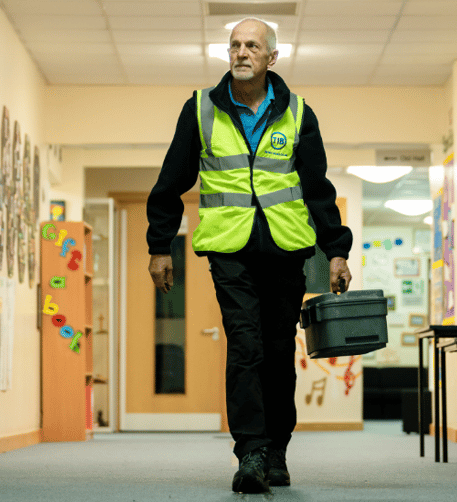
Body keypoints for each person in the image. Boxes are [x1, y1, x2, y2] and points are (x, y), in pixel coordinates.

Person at [145, 17, 353, 494]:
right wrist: (160, 245)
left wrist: (336, 251)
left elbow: (319, 190)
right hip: (229, 249)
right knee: (245, 345)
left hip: (285, 249)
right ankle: (252, 450)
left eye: (252, 45)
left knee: (279, 351)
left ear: (271, 57)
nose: (241, 52)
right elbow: (171, 180)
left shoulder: (299, 114)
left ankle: (277, 448)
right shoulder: (200, 109)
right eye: (235, 44)